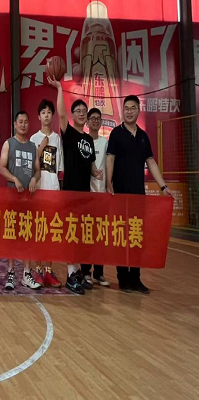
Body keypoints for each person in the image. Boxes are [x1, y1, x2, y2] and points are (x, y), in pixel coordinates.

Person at [106, 95, 173, 294]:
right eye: (126, 108)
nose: (129, 111)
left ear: (138, 111)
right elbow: (110, 158)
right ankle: (123, 278)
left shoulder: (143, 136)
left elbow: (151, 162)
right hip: (120, 194)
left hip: (138, 195)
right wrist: (109, 182)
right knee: (122, 236)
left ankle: (136, 278)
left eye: (132, 108)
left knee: (136, 236)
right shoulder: (116, 134)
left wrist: (163, 187)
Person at [47, 76, 103, 295]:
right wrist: (60, 89)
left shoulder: (88, 140)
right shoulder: (68, 134)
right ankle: (71, 275)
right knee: (72, 234)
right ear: (73, 115)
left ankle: (78, 272)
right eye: (77, 110)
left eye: (84, 111)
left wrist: (95, 172)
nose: (81, 113)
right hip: (70, 193)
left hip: (85, 195)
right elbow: (61, 114)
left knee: (81, 235)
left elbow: (90, 164)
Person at [0, 111, 41, 291]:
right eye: (20, 122)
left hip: (28, 199)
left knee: (27, 235)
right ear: (15, 124)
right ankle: (11, 272)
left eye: (26, 122)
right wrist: (14, 179)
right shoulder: (9, 143)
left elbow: (37, 170)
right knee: (11, 235)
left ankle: (26, 273)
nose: (23, 125)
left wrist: (34, 179)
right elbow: (2, 168)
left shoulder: (32, 147)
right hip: (12, 197)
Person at [29, 99, 63, 289]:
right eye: (43, 112)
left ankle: (49, 270)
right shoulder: (34, 138)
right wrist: (40, 147)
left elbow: (60, 167)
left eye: (49, 112)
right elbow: (31, 165)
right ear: (39, 116)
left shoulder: (58, 139)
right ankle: (37, 269)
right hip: (38, 190)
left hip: (53, 189)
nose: (47, 115)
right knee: (38, 230)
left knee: (50, 231)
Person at [80, 108, 110, 287]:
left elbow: (110, 165)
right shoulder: (83, 142)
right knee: (87, 235)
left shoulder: (105, 143)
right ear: (87, 122)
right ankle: (85, 272)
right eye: (92, 118)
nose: (95, 121)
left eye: (98, 118)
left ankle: (99, 273)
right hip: (87, 195)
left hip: (102, 195)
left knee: (101, 236)